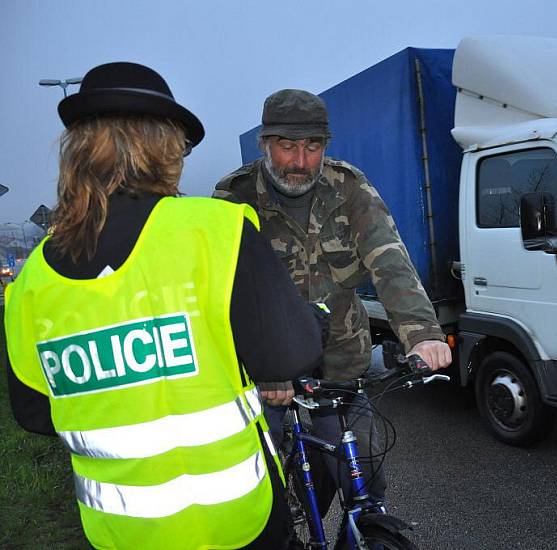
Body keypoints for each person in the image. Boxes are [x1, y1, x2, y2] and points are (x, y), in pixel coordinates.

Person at [5, 63, 323, 549]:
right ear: (165, 147)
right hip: (235, 523)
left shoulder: (32, 281)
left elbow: (34, 413)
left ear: (78, 151)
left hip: (121, 532)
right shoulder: (213, 228)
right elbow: (288, 356)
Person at [213, 89, 452, 508]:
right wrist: (264, 365)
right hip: (268, 365)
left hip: (340, 357)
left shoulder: (349, 188)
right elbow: (223, 290)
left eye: (312, 147)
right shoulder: (234, 197)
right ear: (265, 144)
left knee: (364, 475)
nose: (300, 162)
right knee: (253, 483)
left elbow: (389, 259)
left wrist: (423, 334)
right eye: (287, 147)